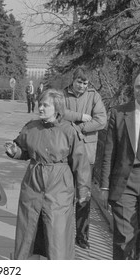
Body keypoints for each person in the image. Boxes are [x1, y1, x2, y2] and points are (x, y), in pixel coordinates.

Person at [5, 89, 91, 260]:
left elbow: (81, 164)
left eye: (46, 105)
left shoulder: (69, 131)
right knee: (28, 231)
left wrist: (83, 191)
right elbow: (23, 150)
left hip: (59, 188)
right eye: (40, 104)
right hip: (33, 185)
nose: (41, 108)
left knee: (57, 234)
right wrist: (14, 151)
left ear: (57, 108)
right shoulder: (31, 127)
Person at [62, 66, 107, 249]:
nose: (82, 86)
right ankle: (63, 233)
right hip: (64, 153)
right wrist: (80, 117)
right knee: (64, 196)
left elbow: (101, 121)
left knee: (83, 196)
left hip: (86, 155)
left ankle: (81, 236)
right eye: (79, 82)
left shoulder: (94, 96)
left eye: (85, 83)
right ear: (73, 80)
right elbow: (59, 113)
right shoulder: (62, 95)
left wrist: (79, 128)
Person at [100, 73, 140, 260]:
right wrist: (104, 186)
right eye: (138, 86)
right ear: (133, 88)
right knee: (124, 238)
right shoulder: (119, 112)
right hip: (125, 183)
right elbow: (109, 152)